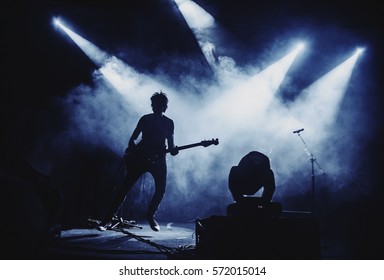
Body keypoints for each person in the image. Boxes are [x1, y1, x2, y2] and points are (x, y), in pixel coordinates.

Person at [98, 91, 178, 231]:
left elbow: (171, 145)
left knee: (161, 190)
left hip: (159, 159)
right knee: (124, 188)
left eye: (161, 105)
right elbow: (133, 138)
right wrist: (134, 148)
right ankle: (108, 219)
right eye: (155, 104)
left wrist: (173, 150)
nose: (157, 107)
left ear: (165, 107)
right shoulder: (145, 119)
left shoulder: (169, 123)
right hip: (140, 158)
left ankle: (151, 216)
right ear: (152, 105)